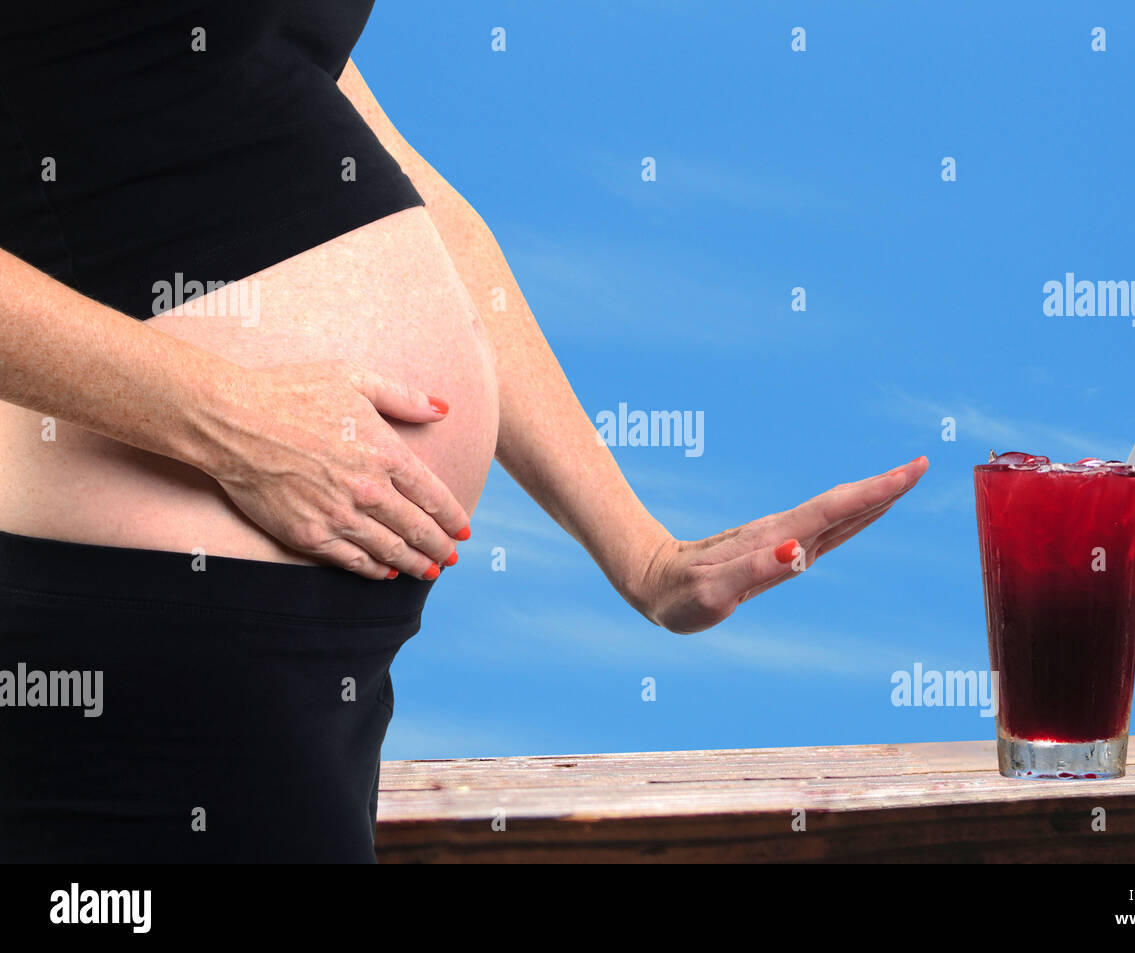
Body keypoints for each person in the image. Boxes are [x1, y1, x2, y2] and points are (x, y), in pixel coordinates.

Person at [0, 1, 927, 862]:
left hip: (296, 651)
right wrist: (236, 425)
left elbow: (390, 185)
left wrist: (645, 558)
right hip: (142, 634)